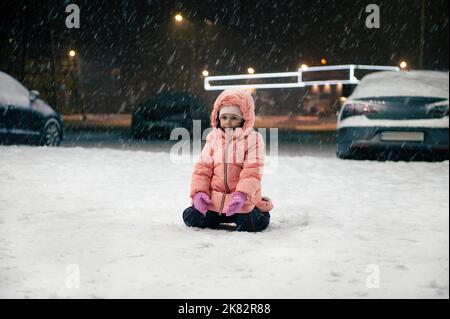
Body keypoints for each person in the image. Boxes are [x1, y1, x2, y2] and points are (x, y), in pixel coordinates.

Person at [182, 89, 273, 232]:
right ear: (217, 118)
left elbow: (252, 172)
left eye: (234, 118)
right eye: (224, 117)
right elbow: (202, 169)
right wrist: (200, 193)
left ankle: (260, 209)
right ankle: (216, 214)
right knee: (190, 218)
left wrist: (242, 195)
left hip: (240, 202)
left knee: (252, 225)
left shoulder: (253, 139)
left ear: (244, 118)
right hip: (215, 201)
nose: (228, 122)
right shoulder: (213, 138)